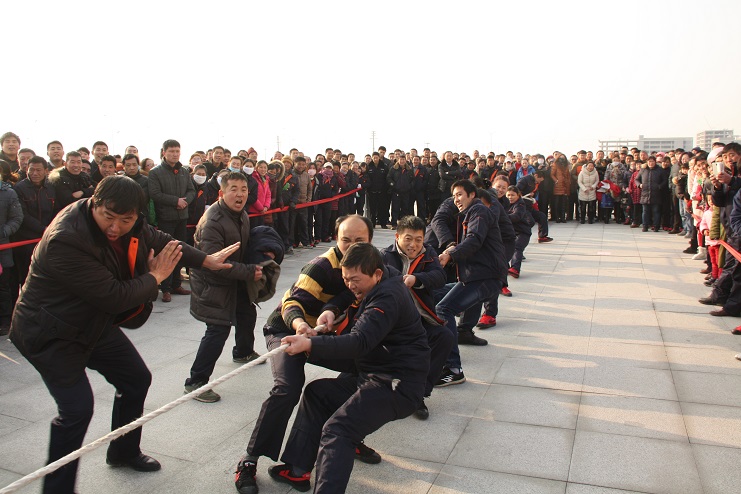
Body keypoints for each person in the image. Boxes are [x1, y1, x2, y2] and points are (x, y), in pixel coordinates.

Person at [9, 175, 239, 494]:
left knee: (135, 379)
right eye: (108, 217)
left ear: (136, 215)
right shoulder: (66, 238)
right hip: (49, 331)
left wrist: (206, 260)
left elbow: (162, 240)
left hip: (90, 322)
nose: (115, 228)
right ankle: (57, 489)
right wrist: (156, 276)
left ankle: (123, 451)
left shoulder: (133, 222)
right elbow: (114, 296)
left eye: (126, 220)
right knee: (76, 409)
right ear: (95, 203)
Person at [265, 242, 430, 494]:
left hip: (396, 384)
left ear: (376, 273)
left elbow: (359, 341)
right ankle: (298, 470)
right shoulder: (382, 279)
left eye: (355, 280)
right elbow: (348, 302)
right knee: (317, 393)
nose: (350, 285)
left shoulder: (387, 298)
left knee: (338, 430)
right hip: (374, 373)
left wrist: (310, 344)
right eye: (345, 279)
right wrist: (330, 311)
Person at [234, 215, 381, 494]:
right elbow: (292, 303)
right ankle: (249, 460)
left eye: (359, 241)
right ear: (336, 239)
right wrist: (301, 326)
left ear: (370, 241)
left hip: (323, 336)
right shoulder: (321, 266)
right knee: (287, 389)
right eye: (345, 240)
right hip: (288, 331)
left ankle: (347, 432)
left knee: (366, 367)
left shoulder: (374, 264)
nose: (351, 246)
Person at [185, 171, 283, 402]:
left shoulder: (241, 214)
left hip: (234, 280)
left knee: (246, 313)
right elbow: (213, 263)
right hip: (213, 284)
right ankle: (196, 382)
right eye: (234, 189)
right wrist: (249, 271)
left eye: (244, 190)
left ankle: (243, 352)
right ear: (222, 193)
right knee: (217, 330)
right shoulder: (213, 222)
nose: (240, 195)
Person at [379, 215, 453, 419]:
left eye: (418, 240)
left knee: (444, 337)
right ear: (397, 237)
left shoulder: (428, 254)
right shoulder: (384, 256)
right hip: (391, 321)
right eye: (408, 239)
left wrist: (417, 279)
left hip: (420, 318)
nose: (413, 245)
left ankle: (418, 394)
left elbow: (440, 277)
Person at [435, 180, 507, 386]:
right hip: (477, 275)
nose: (456, 200)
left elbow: (474, 239)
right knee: (435, 292)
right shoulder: (470, 213)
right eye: (454, 196)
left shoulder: (478, 212)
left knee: (444, 308)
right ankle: (459, 335)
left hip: (485, 276)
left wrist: (451, 255)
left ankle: (453, 369)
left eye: (459, 194)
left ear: (472, 194)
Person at [147, 139, 195, 302]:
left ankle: (176, 284)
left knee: (180, 250)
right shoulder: (155, 172)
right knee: (166, 252)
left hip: (182, 217)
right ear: (164, 152)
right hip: (166, 218)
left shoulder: (184, 171)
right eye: (171, 151)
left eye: (177, 151)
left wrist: (185, 201)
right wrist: (175, 201)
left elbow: (191, 190)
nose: (175, 154)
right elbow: (155, 193)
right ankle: (165, 288)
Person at [12, 156, 58, 287]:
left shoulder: (51, 187)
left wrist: (51, 228)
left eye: (38, 170)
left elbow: (57, 209)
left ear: (46, 171)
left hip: (47, 237)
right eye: (31, 170)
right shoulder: (19, 188)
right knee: (27, 277)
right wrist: (44, 229)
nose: (35, 173)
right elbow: (23, 215)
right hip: (26, 239)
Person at [506, 186, 533, 278]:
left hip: (523, 232)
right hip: (511, 233)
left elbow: (516, 216)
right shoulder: (504, 204)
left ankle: (515, 269)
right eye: (508, 195)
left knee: (517, 247)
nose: (510, 197)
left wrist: (503, 217)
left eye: (512, 195)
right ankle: (505, 268)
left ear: (518, 195)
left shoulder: (520, 205)